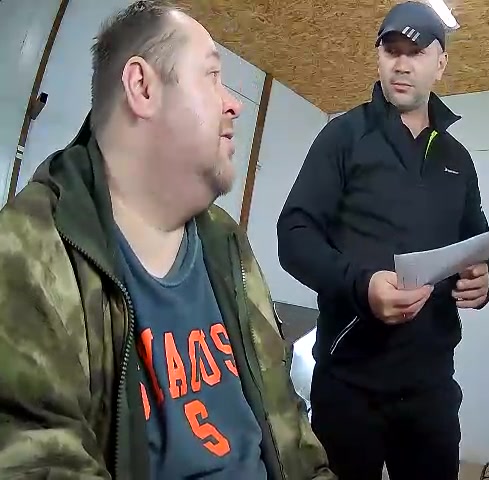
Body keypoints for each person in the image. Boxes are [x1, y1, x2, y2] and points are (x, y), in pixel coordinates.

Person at [0, 2, 334, 479]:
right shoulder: (28, 252)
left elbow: (286, 421)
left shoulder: (226, 241)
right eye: (212, 75)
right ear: (142, 87)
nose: (234, 104)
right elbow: (35, 457)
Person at [276, 2, 489, 479]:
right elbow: (293, 234)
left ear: (441, 64)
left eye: (416, 53)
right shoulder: (343, 137)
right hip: (348, 385)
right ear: (378, 57)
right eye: (392, 50)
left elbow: (476, 241)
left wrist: (484, 278)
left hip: (431, 389)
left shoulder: (458, 160)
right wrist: (362, 285)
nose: (401, 64)